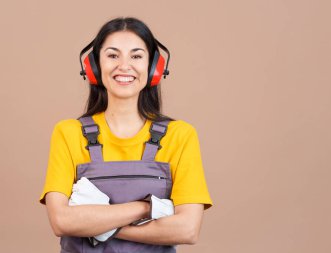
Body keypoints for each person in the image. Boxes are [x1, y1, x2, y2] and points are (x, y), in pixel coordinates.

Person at [39, 17, 213, 252]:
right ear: (95, 67)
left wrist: (96, 224)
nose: (124, 65)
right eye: (112, 55)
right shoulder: (68, 133)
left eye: (136, 56)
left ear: (154, 68)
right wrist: (144, 208)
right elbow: (61, 221)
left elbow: (187, 229)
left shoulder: (180, 135)